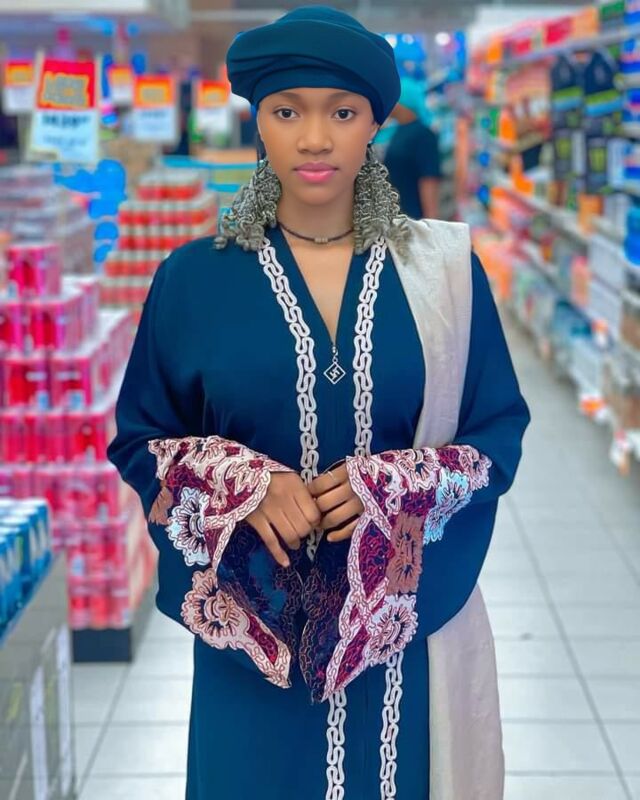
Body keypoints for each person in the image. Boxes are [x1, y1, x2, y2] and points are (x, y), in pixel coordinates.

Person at [108, 6, 530, 799]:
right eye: (286, 112)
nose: (313, 138)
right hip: (251, 656)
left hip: (401, 646)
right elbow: (141, 441)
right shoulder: (192, 280)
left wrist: (395, 488)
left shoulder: (443, 276)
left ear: (374, 125)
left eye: (341, 113)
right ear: (258, 124)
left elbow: (496, 436)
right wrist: (239, 483)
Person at [384, 77, 442, 219]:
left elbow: (429, 179)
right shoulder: (398, 130)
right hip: (396, 216)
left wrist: (430, 222)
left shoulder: (424, 135)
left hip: (413, 218)